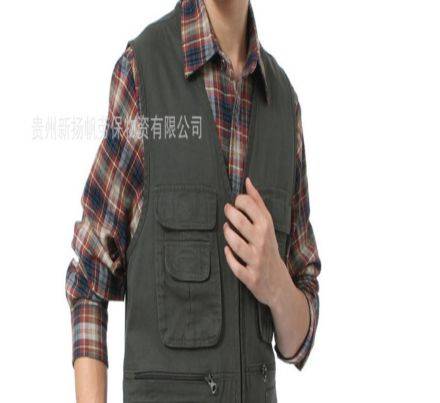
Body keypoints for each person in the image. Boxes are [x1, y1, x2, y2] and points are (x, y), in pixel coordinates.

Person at [65, 0, 321, 402]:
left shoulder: (283, 104)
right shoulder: (143, 72)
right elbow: (89, 279)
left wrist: (276, 285)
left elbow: (299, 340)